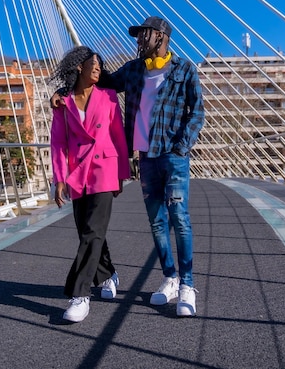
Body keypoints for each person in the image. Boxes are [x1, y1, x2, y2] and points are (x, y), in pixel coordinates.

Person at [51, 16, 204, 317]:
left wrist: (181, 146)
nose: (137, 41)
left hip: (173, 156)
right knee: (158, 223)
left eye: (142, 36)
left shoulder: (185, 69)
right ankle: (169, 278)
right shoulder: (134, 70)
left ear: (160, 36)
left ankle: (187, 284)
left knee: (180, 218)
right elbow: (99, 80)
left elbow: (196, 112)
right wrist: (62, 90)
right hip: (146, 157)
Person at [50, 46, 130, 323]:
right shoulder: (63, 102)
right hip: (77, 173)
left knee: (92, 232)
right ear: (78, 68)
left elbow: (118, 136)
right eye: (93, 64)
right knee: (88, 231)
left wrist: (122, 173)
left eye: (100, 64)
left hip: (105, 169)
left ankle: (80, 294)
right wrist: (59, 179)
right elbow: (58, 143)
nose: (98, 68)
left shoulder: (108, 97)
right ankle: (107, 273)